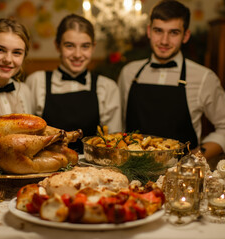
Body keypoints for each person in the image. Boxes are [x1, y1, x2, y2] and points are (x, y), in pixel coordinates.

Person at [118, 0, 225, 160]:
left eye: (173, 32)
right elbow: (119, 127)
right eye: (158, 31)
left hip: (182, 177)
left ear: (185, 35)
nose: (164, 41)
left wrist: (194, 157)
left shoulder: (204, 78)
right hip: (131, 174)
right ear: (149, 31)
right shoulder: (129, 73)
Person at [26, 14, 122, 152]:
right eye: (69, 46)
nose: (77, 54)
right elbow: (27, 137)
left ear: (93, 47)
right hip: (46, 167)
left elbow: (114, 142)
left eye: (85, 46)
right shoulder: (36, 82)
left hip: (93, 169)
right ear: (57, 46)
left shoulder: (107, 87)